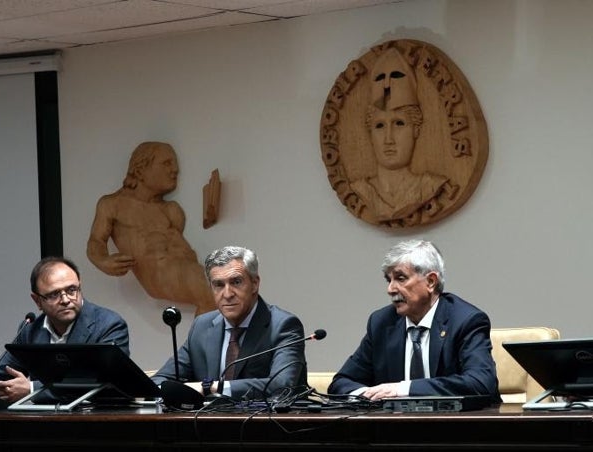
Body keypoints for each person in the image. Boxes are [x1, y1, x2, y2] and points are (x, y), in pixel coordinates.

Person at [328, 239, 501, 404]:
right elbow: (341, 382)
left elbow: (481, 383)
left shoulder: (465, 320)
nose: (390, 289)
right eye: (389, 280)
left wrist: (403, 389)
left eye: (400, 278)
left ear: (431, 282)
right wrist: (368, 395)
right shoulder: (382, 323)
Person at [150, 245, 307, 400]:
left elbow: (282, 386)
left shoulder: (283, 326)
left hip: (266, 423)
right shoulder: (202, 326)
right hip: (206, 423)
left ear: (255, 284)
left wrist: (212, 387)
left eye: (236, 282)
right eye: (218, 285)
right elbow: (161, 380)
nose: (227, 294)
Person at [0, 256, 130, 404]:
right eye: (54, 294)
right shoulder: (30, 330)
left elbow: (103, 385)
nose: (65, 300)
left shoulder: (109, 325)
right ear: (37, 300)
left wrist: (31, 389)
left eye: (71, 290)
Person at [87, 141, 216, 315]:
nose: (175, 170)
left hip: (187, 270)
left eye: (175, 165)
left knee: (224, 286)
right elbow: (96, 241)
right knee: (212, 289)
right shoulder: (113, 205)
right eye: (167, 163)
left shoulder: (171, 210)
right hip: (160, 275)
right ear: (140, 169)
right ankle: (204, 342)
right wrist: (103, 261)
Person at [349, 47, 455, 227]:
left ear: (416, 130)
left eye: (399, 124)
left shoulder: (431, 186)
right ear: (370, 133)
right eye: (380, 126)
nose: (388, 139)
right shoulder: (361, 189)